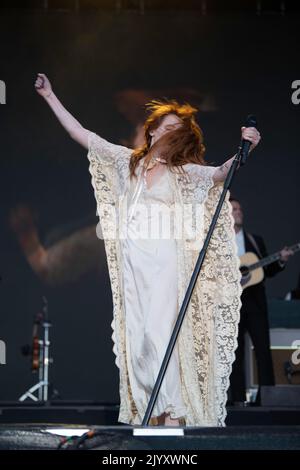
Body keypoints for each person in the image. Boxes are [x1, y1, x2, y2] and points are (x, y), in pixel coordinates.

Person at [34, 73, 260, 426]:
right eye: (166, 126)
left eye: (177, 128)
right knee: (138, 341)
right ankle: (153, 413)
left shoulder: (183, 172)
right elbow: (84, 136)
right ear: (152, 130)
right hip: (133, 266)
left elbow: (219, 174)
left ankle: (171, 412)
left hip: (164, 263)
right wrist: (50, 97)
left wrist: (246, 149)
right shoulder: (129, 164)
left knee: (159, 333)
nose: (171, 131)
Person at [229, 198, 294, 404]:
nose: (239, 212)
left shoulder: (255, 240)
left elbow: (267, 269)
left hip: (255, 304)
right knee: (234, 354)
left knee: (263, 352)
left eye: (240, 208)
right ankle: (237, 399)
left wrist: (281, 260)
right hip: (231, 305)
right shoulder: (219, 243)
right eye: (234, 209)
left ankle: (267, 399)